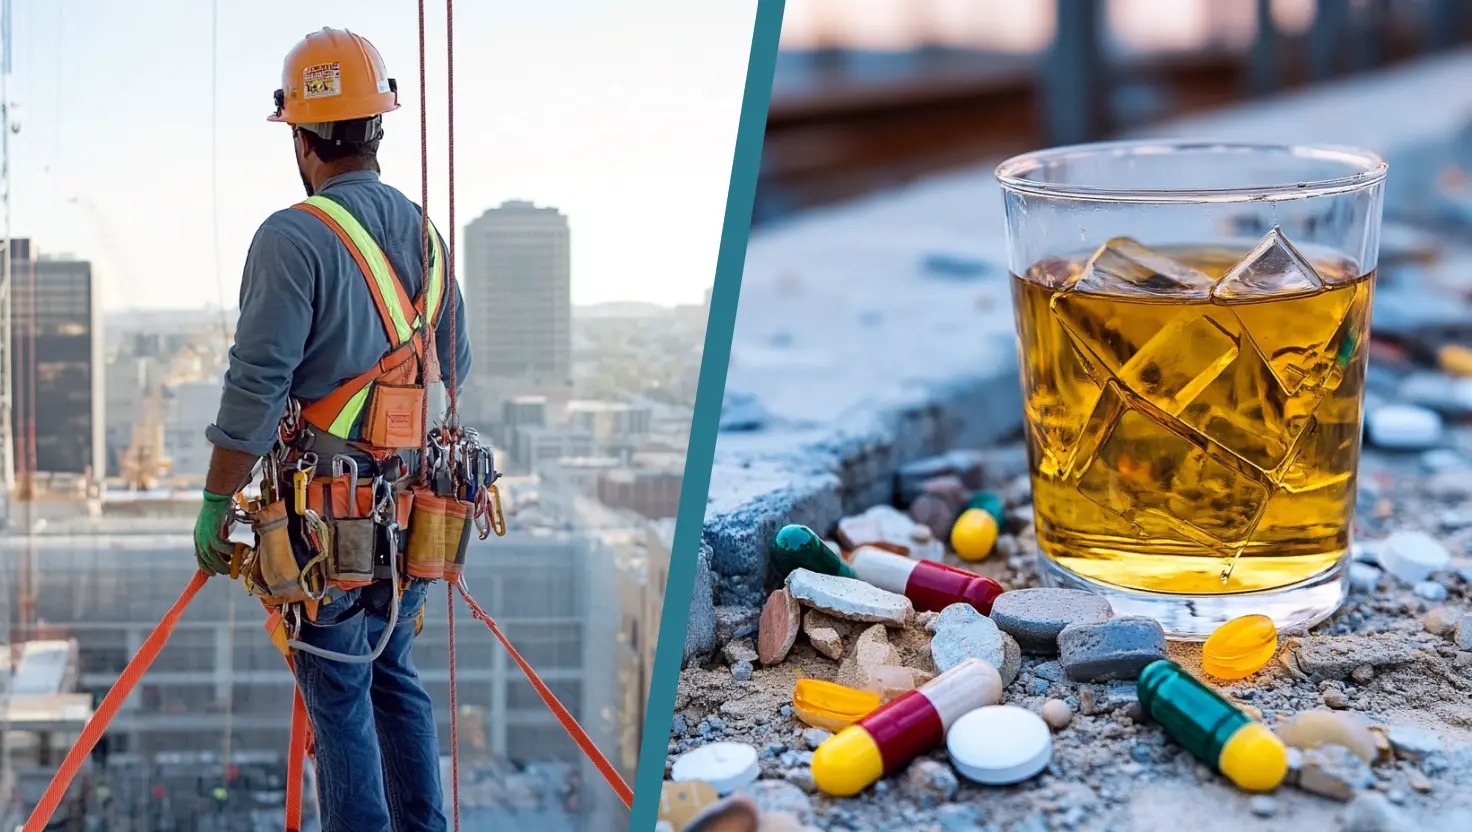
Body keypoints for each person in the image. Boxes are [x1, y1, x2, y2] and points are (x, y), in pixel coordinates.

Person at [192, 27, 470, 832]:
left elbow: (254, 386)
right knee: (394, 675)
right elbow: (457, 361)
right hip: (413, 515)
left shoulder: (294, 237)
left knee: (339, 690)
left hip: (329, 527)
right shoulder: (426, 235)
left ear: (304, 140)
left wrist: (216, 501)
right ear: (377, 130)